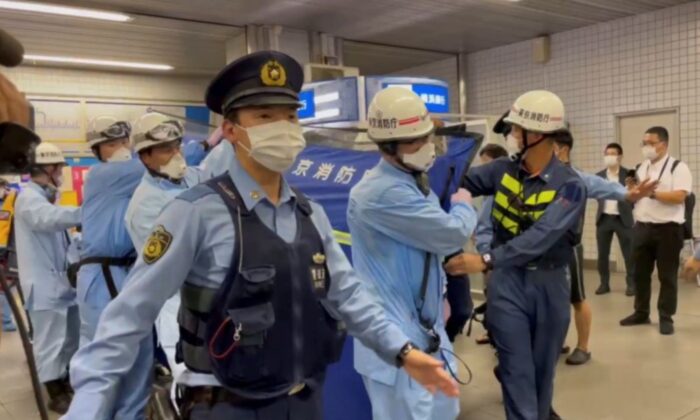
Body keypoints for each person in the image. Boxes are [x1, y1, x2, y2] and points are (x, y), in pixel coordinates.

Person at [64, 51, 458, 420]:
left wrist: (402, 351)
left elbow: (349, 295)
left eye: (290, 116)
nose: (282, 129)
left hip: (304, 400)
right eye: (265, 116)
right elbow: (129, 315)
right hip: (227, 405)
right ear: (231, 130)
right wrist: (87, 406)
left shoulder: (309, 214)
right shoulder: (195, 213)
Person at [444, 90, 585, 420]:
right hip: (507, 285)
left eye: (514, 130)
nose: (510, 137)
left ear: (535, 135)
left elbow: (542, 236)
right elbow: (454, 180)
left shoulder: (570, 186)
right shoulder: (500, 170)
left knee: (541, 373)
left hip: (549, 284)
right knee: (515, 370)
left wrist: (485, 260)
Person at [348, 87, 476, 420]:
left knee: (443, 412)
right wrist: (463, 205)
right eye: (413, 141)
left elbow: (424, 251)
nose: (424, 147)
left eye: (426, 137)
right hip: (396, 338)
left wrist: (440, 295)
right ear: (387, 146)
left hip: (426, 330)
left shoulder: (413, 182)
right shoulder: (380, 192)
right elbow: (451, 234)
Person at [551, 131, 655, 366]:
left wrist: (629, 193)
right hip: (544, 250)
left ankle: (583, 347)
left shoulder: (576, 177)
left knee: (577, 298)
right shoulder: (540, 175)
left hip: (568, 246)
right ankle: (555, 341)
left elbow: (605, 187)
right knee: (552, 299)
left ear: (562, 149)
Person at [75, 116, 150, 418]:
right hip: (105, 277)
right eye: (111, 144)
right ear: (97, 150)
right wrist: (207, 144)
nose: (120, 148)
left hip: (120, 274)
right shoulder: (106, 175)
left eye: (123, 141)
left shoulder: (128, 182)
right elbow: (155, 163)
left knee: (135, 355)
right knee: (112, 362)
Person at [125, 112, 207, 381]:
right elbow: (174, 263)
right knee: (191, 386)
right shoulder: (144, 205)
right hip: (178, 309)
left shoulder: (191, 178)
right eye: (165, 149)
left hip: (212, 302)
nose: (176, 155)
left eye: (177, 146)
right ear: (145, 157)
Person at [14, 142, 81, 414]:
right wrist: (89, 212)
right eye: (59, 167)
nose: (62, 173)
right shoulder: (28, 198)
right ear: (48, 168)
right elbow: (50, 220)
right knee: (50, 340)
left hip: (59, 283)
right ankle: (54, 390)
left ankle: (64, 379)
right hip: (43, 286)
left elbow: (61, 235)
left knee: (67, 338)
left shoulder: (44, 196)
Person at [620, 126, 692, 336]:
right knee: (640, 274)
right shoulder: (641, 167)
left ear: (664, 144)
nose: (646, 147)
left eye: (651, 143)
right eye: (644, 143)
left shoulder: (677, 167)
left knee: (667, 276)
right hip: (642, 227)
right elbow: (634, 196)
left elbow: (679, 197)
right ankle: (641, 312)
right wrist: (632, 189)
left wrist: (651, 194)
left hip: (668, 230)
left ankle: (665, 317)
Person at [473, 143, 508, 345]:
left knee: (497, 298)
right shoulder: (490, 191)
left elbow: (486, 226)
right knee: (492, 296)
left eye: (486, 164)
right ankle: (492, 331)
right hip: (492, 254)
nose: (483, 170)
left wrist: (486, 257)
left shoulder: (500, 191)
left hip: (495, 256)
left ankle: (497, 334)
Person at [595, 143, 636, 296]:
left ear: (620, 156)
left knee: (629, 253)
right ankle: (604, 284)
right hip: (604, 218)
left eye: (613, 153)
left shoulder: (629, 174)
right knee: (602, 254)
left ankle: (631, 284)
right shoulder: (598, 176)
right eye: (607, 153)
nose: (609, 157)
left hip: (623, 218)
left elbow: (635, 196)